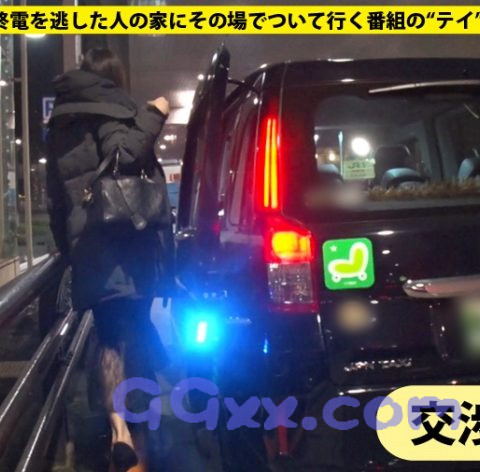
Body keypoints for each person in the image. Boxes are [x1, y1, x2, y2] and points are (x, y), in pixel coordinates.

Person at [46, 48, 173, 472]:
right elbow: (127, 155)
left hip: (88, 247)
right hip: (126, 242)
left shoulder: (60, 121)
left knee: (109, 336)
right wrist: (155, 113)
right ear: (114, 76)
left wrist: (70, 251)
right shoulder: (114, 107)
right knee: (135, 328)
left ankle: (119, 429)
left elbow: (55, 198)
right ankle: (141, 430)